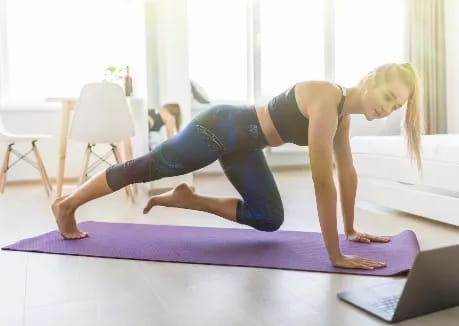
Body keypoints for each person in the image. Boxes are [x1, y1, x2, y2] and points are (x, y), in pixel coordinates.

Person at [52, 62, 422, 271]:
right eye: (388, 97)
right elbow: (323, 180)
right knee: (150, 167)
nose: (387, 109)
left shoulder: (343, 119)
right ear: (370, 80)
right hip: (220, 129)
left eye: (396, 107)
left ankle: (188, 197)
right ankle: (67, 205)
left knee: (269, 217)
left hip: (244, 145)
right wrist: (335, 254)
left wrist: (351, 229)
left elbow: (347, 172)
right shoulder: (327, 97)